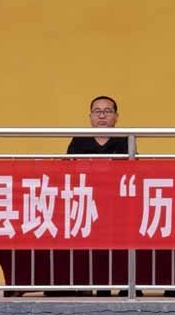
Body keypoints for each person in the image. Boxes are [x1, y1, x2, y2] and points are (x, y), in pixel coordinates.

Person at [65, 95, 145, 297]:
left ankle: (126, 285)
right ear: (90, 116)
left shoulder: (125, 140)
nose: (102, 116)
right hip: (87, 202)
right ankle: (89, 284)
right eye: (97, 111)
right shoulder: (79, 141)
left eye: (107, 111)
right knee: (90, 246)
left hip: (118, 203)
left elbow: (132, 170)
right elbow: (69, 169)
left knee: (120, 246)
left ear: (116, 116)